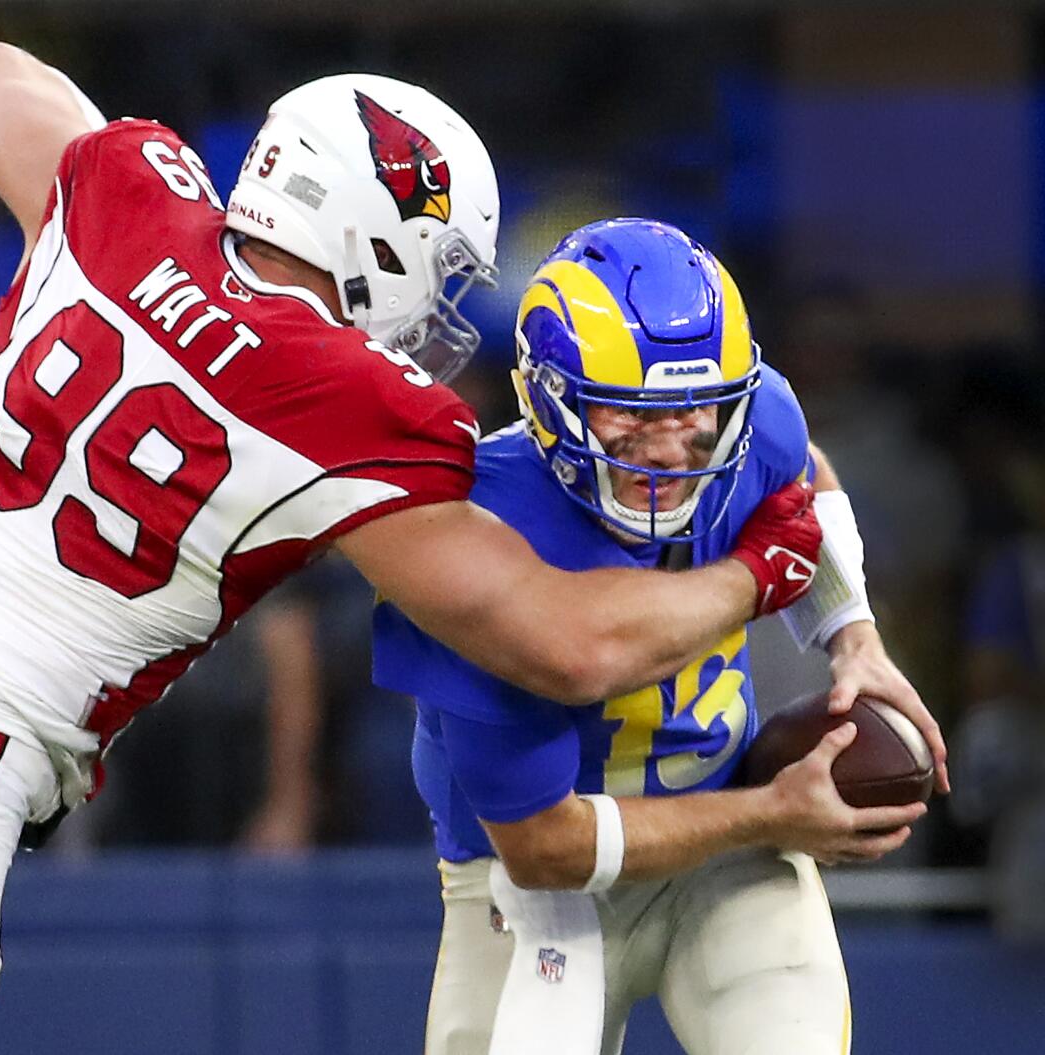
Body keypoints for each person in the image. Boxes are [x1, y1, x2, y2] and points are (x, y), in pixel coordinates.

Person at [0, 43, 835, 1053]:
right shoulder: (348, 401)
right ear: (378, 235)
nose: (439, 314)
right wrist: (762, 566)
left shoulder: (123, 191)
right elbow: (568, 645)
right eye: (442, 269)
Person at [372, 219, 947, 1055]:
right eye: (628, 415)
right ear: (546, 397)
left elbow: (799, 471)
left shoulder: (750, 426)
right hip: (536, 895)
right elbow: (544, 847)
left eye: (697, 411)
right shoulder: (476, 528)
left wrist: (852, 632)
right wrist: (768, 811)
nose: (674, 448)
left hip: (724, 861)